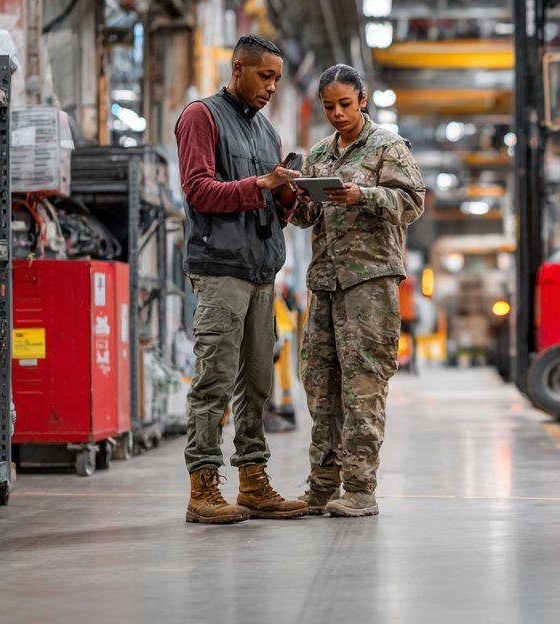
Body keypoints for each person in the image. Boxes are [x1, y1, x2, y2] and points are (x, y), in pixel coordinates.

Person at [175, 34, 309, 524]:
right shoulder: (201, 116)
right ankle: (203, 486)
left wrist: (290, 197)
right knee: (214, 381)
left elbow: (272, 206)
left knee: (256, 383)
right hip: (221, 270)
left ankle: (254, 481)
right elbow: (198, 190)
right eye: (265, 75)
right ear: (238, 69)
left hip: (260, 270)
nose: (272, 86)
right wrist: (261, 185)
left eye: (276, 78)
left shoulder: (267, 132)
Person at [292, 65, 425, 518]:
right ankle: (322, 486)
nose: (337, 114)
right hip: (325, 284)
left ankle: (360, 488)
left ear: (362, 100)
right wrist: (291, 197)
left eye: (345, 104)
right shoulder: (319, 155)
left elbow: (412, 202)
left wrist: (364, 195)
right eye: (329, 106)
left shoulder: (386, 146)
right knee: (320, 384)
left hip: (369, 283)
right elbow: (306, 217)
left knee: (363, 384)